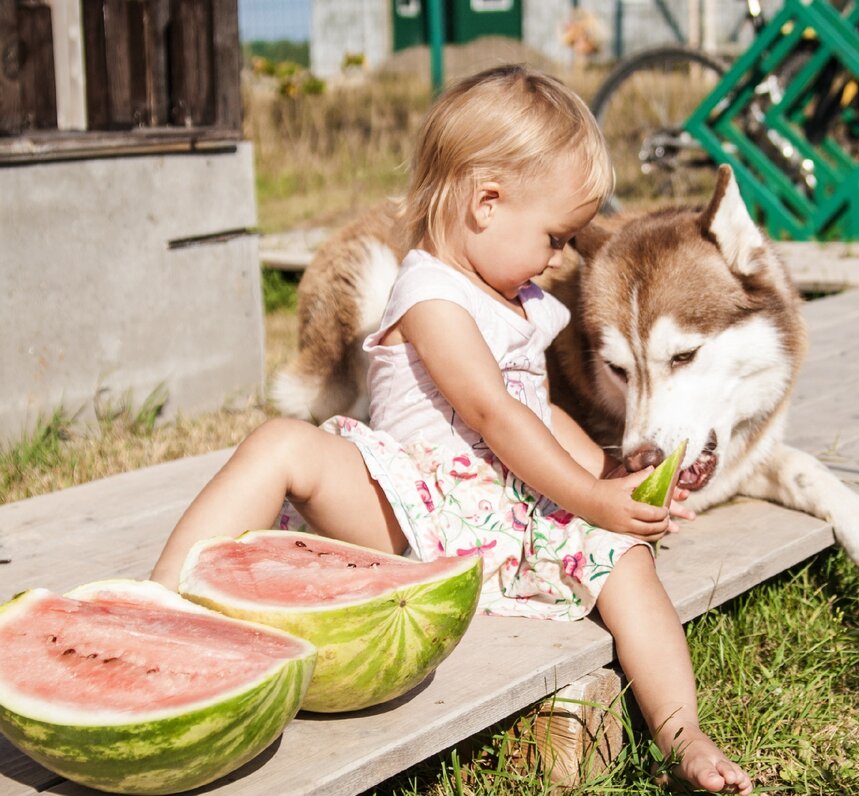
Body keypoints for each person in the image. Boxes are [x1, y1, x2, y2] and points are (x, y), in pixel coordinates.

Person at [150, 64, 752, 795]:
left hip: (505, 517)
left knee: (630, 569)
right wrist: (590, 502)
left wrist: (607, 480)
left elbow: (537, 412)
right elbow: (494, 412)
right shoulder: (432, 294)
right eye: (555, 236)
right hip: (412, 507)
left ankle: (681, 733)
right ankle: (160, 604)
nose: (561, 257)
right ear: (486, 201)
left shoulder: (518, 294)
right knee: (282, 443)